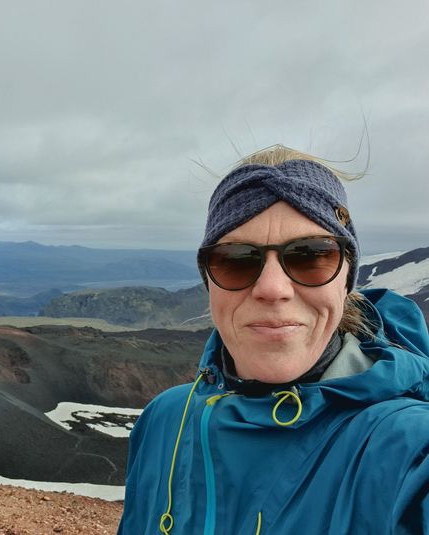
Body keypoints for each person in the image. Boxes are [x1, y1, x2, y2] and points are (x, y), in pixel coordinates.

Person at [117, 145, 429, 534]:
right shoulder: (164, 421)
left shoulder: (409, 448)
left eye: (311, 255)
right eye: (235, 259)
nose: (272, 288)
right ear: (209, 280)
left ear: (346, 279)